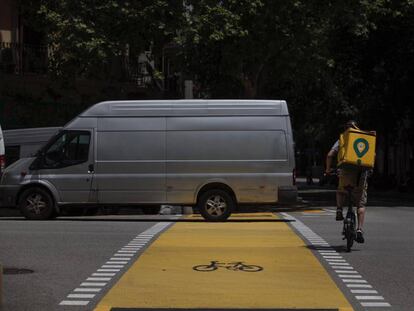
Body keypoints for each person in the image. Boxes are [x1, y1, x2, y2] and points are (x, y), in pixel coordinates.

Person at [325, 120, 369, 243]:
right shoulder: (365, 138)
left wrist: (328, 169)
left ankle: (339, 210)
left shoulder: (342, 140)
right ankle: (359, 229)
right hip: (361, 174)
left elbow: (329, 155)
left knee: (341, 191)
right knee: (360, 204)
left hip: (345, 172)